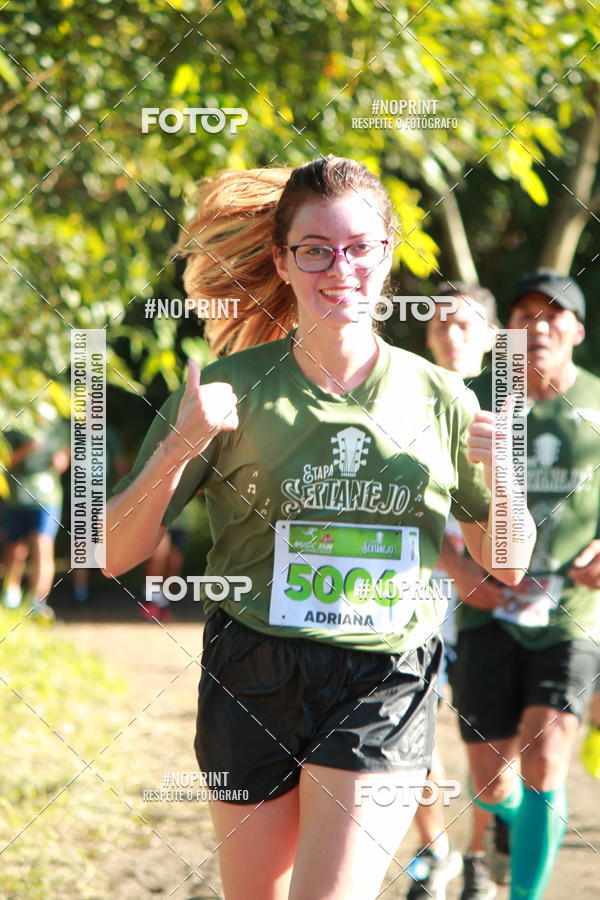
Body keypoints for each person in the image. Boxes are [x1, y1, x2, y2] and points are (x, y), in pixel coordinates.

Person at [103, 156, 535, 900]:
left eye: (361, 247)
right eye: (316, 249)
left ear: (388, 252)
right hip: (251, 670)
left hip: (384, 674)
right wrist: (179, 446)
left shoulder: (442, 398)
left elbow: (510, 562)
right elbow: (112, 553)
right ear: (283, 259)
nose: (343, 268)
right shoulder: (228, 389)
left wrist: (504, 478)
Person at [445, 269, 600, 900]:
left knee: (544, 757)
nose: (537, 328)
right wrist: (458, 570)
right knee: (493, 785)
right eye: (524, 315)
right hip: (489, 606)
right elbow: (422, 498)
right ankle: (508, 827)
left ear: (578, 331)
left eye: (553, 315)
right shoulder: (471, 398)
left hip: (574, 606)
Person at [405, 284, 499, 900]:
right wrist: (456, 568)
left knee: (492, 740)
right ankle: (434, 849)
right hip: (419, 593)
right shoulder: (401, 399)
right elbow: (400, 507)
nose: (451, 333)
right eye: (440, 322)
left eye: (466, 324)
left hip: (503, 603)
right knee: (415, 729)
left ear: (491, 339)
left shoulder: (513, 408)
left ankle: (477, 857)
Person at [0, 406, 70, 620]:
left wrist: (62, 460)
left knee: (42, 543)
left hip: (47, 497)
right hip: (16, 496)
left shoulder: (58, 425)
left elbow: (66, 452)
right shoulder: (14, 424)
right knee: (16, 548)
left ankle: (38, 602)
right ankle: (10, 594)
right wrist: (27, 449)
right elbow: (5, 462)